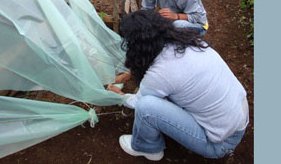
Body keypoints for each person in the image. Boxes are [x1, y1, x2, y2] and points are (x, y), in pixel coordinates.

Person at [107, 10, 249, 161]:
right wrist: (129, 75)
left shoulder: (160, 73)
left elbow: (138, 101)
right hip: (238, 120)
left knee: (146, 106)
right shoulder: (187, 40)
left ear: (138, 46)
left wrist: (121, 96)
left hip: (220, 143)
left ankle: (147, 148)